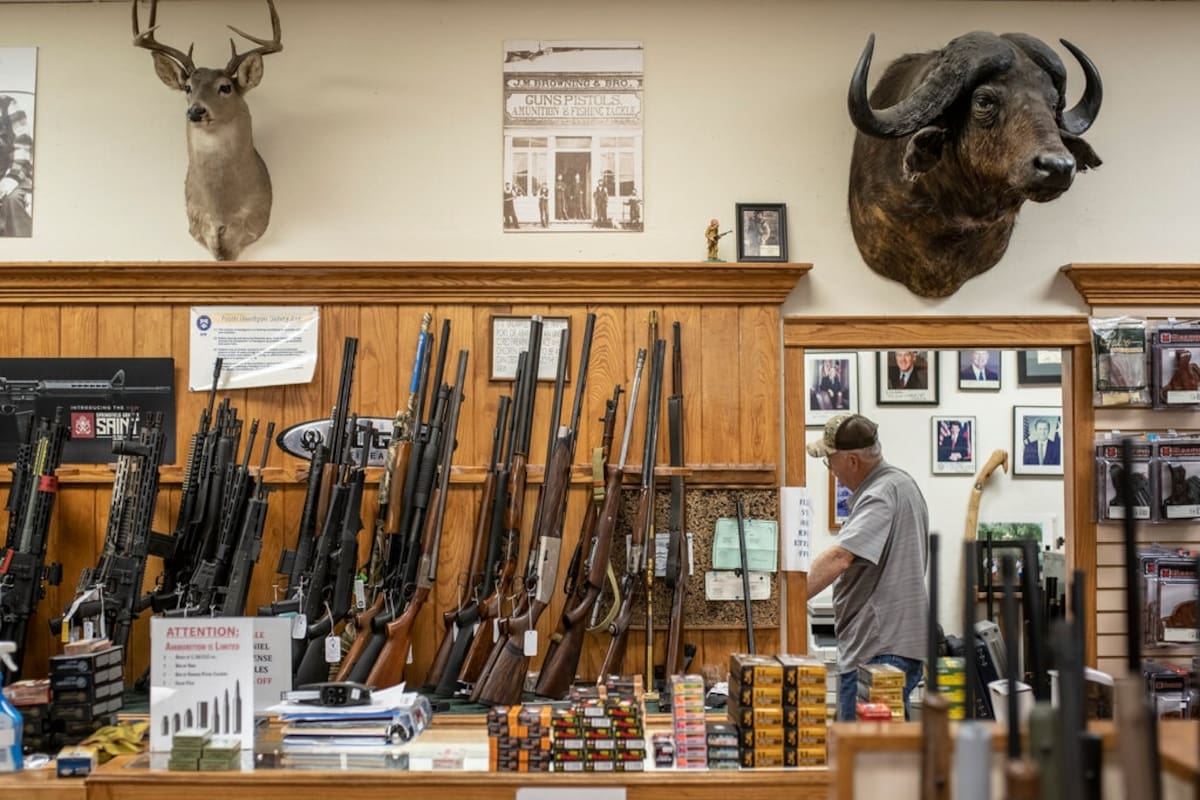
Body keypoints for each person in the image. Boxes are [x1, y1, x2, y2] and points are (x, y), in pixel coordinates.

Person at [806, 413, 930, 721]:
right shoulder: (900, 484)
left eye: (830, 460)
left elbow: (840, 557)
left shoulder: (880, 494)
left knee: (862, 746)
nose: (830, 469)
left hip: (879, 649)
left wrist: (787, 600)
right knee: (880, 744)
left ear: (851, 460)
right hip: (888, 645)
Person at [0, 94, 33, 238]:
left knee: (12, 199)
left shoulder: (7, 105)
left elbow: (23, 146)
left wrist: (10, 180)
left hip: (13, 174)